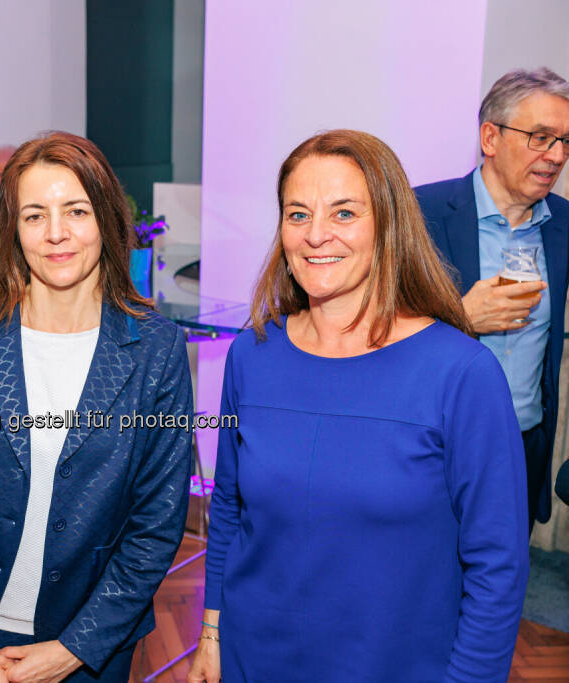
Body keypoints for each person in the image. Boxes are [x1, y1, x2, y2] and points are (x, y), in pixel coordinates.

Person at [188, 130, 529, 683]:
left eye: (344, 213)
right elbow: (227, 506)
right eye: (298, 214)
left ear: (388, 226)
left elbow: (498, 565)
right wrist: (212, 633)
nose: (316, 234)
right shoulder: (253, 353)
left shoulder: (461, 372)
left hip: (397, 665)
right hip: (255, 658)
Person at [0, 131, 193, 682]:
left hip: (90, 646)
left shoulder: (156, 349)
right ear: (12, 229)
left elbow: (157, 523)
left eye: (75, 210)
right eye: (34, 216)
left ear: (105, 217)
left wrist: (73, 650)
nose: (56, 233)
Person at [416, 67, 569, 532]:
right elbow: (370, 331)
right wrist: (460, 316)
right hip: (434, 444)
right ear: (490, 137)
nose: (557, 156)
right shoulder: (420, 213)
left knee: (500, 588)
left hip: (522, 446)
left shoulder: (563, 223)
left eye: (565, 142)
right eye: (541, 137)